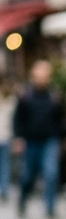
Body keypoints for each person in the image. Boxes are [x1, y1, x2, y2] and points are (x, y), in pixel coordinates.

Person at [13, 60, 64, 219]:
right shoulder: (26, 95)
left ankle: (50, 209)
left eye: (45, 76)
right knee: (28, 175)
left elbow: (60, 119)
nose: (42, 80)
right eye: (39, 76)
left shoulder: (54, 96)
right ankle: (22, 200)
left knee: (51, 173)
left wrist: (59, 139)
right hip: (30, 140)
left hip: (49, 140)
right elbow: (18, 119)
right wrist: (19, 138)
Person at [0, 72, 17, 201]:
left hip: (5, 136)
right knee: (5, 164)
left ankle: (4, 189)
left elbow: (14, 120)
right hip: (5, 136)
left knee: (5, 164)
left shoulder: (11, 100)